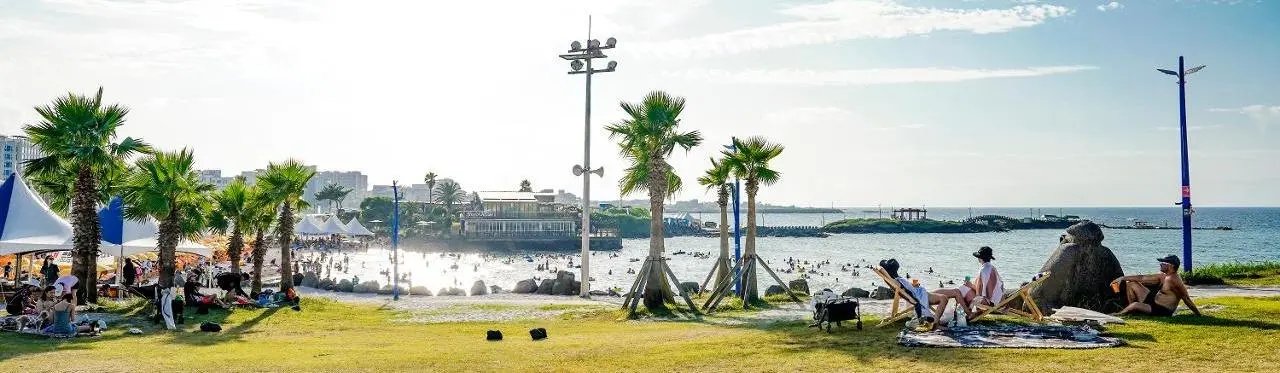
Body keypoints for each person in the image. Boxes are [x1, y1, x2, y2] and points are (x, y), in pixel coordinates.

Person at [1113, 255, 1201, 317]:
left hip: (1161, 310)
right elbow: (1143, 277)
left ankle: (1119, 314)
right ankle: (1133, 311)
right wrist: (1122, 278)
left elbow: (1186, 298)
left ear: (1171, 266)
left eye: (1163, 262)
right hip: (1153, 301)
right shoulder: (1164, 276)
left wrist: (1198, 314)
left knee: (1135, 305)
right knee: (1132, 283)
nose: (1160, 264)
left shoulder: (1174, 280)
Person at [931, 246, 1005, 317]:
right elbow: (992, 287)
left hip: (988, 302)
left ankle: (964, 313)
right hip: (996, 300)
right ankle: (960, 312)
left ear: (980, 257)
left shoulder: (984, 270)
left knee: (960, 290)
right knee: (962, 289)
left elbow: (982, 293)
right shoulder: (991, 268)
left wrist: (970, 285)